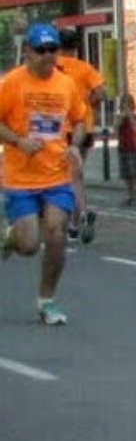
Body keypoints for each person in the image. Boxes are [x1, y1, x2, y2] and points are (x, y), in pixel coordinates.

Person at [0, 22, 87, 325]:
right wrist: (18, 141)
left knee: (56, 232)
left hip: (56, 176)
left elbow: (79, 120)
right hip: (20, 178)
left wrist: (74, 145)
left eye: (53, 49)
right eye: (42, 50)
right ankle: (10, 236)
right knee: (28, 246)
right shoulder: (12, 83)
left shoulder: (66, 84)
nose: (48, 55)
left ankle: (47, 301)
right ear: (28, 51)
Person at [57, 27, 106, 243]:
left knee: (68, 178)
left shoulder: (54, 67)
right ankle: (75, 224)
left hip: (62, 128)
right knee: (76, 175)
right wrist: (89, 104)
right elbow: (101, 92)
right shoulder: (85, 68)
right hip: (85, 127)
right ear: (76, 47)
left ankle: (79, 217)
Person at [115, 93, 136, 206]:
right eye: (124, 104)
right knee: (126, 174)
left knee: (135, 173)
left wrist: (130, 116)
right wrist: (121, 118)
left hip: (133, 146)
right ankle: (131, 195)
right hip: (123, 147)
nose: (126, 107)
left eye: (128, 104)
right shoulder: (119, 117)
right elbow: (115, 129)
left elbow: (135, 128)